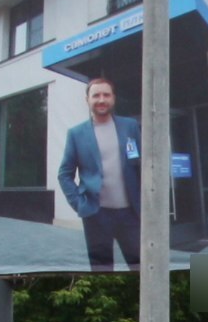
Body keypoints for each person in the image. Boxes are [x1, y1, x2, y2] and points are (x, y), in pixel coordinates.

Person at [56, 74, 144, 272]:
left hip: (131, 214)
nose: (101, 100)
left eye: (106, 95)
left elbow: (143, 164)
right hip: (96, 215)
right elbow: (64, 173)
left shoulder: (130, 126)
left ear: (114, 98)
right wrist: (79, 203)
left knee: (141, 268)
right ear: (87, 100)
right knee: (101, 270)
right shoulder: (76, 134)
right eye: (96, 96)